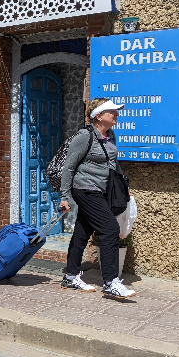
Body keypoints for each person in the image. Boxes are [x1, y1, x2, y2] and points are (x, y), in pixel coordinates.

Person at [58, 97, 136, 300]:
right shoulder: (84, 137)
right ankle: (111, 282)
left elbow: (113, 164)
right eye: (112, 112)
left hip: (101, 190)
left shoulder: (111, 136)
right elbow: (69, 167)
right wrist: (64, 196)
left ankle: (71, 276)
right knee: (110, 229)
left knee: (82, 232)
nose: (117, 114)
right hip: (84, 189)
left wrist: (123, 186)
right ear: (99, 116)